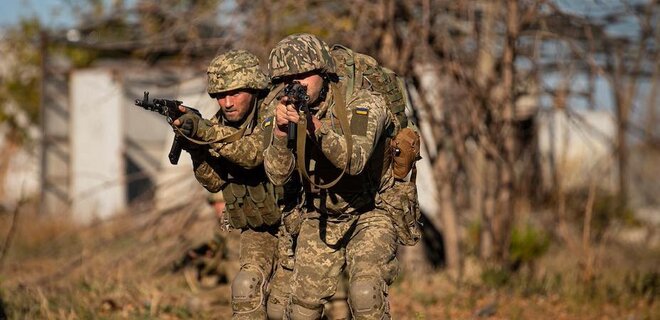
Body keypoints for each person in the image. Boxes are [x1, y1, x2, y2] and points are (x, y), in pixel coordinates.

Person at [263, 33, 405, 320]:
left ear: (324, 72)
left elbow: (354, 161)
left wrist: (314, 126)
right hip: (321, 213)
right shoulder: (280, 110)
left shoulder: (364, 102)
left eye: (304, 74)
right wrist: (280, 134)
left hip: (371, 210)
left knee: (365, 295)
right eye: (288, 77)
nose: (296, 83)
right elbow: (277, 175)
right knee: (302, 310)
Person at [172, 49, 282, 319]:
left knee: (286, 306)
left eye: (235, 93)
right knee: (245, 290)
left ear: (254, 88)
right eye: (221, 96)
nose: (227, 102)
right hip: (259, 224)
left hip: (297, 221)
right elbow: (214, 182)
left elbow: (254, 154)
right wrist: (196, 149)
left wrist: (204, 133)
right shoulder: (217, 124)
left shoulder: (275, 110)